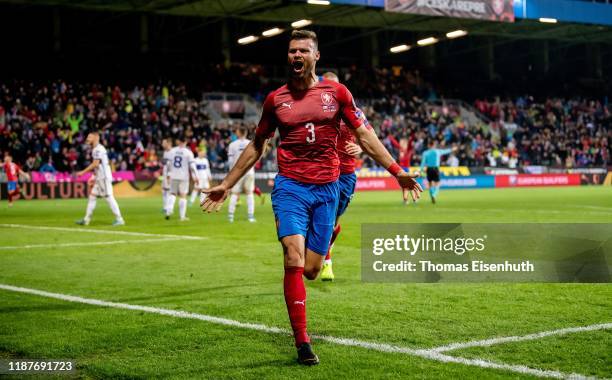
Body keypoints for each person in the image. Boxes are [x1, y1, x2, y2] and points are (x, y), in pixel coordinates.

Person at [201, 30, 422, 366]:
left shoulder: (337, 93)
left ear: (316, 56)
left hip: (328, 189)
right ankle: (302, 342)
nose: (296, 55)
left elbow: (365, 132)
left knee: (313, 270)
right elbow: (258, 144)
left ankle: (326, 239)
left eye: (303, 50)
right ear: (288, 57)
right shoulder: (276, 100)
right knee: (293, 256)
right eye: (292, 51)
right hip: (290, 187)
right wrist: (227, 183)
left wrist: (396, 170)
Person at [319, 71, 365, 282]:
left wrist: (360, 148)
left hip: (346, 175)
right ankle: (327, 263)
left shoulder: (353, 112)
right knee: (323, 221)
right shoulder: (316, 112)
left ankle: (325, 250)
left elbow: (367, 136)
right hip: (322, 172)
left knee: (333, 221)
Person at [75, 132, 125, 226]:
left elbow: (95, 164)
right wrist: (93, 177)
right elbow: (98, 166)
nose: (87, 138)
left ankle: (120, 219)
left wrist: (82, 172)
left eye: (90, 137)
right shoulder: (95, 149)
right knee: (92, 197)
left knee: (109, 197)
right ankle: (86, 220)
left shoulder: (98, 149)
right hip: (99, 177)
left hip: (103, 177)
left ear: (96, 138)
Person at [226, 126, 256, 223]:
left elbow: (230, 161)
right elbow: (255, 158)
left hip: (237, 173)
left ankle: (231, 216)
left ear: (238, 133)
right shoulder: (251, 143)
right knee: (249, 193)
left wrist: (231, 173)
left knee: (234, 194)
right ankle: (250, 216)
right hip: (249, 171)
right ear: (246, 133)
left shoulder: (232, 145)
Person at [165, 137, 196, 221]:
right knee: (183, 195)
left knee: (172, 193)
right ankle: (182, 217)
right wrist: (195, 176)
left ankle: (169, 210)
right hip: (184, 177)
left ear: (178, 141)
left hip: (174, 175)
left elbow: (168, 164)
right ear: (185, 142)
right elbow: (192, 166)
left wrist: (168, 174)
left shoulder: (172, 151)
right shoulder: (188, 152)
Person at [161, 138, 176, 215]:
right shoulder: (165, 152)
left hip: (170, 175)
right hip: (165, 174)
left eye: (164, 143)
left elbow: (172, 165)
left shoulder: (173, 152)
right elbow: (165, 164)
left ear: (169, 143)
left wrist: (169, 175)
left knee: (170, 191)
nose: (162, 144)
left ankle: (170, 208)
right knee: (164, 191)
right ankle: (165, 207)